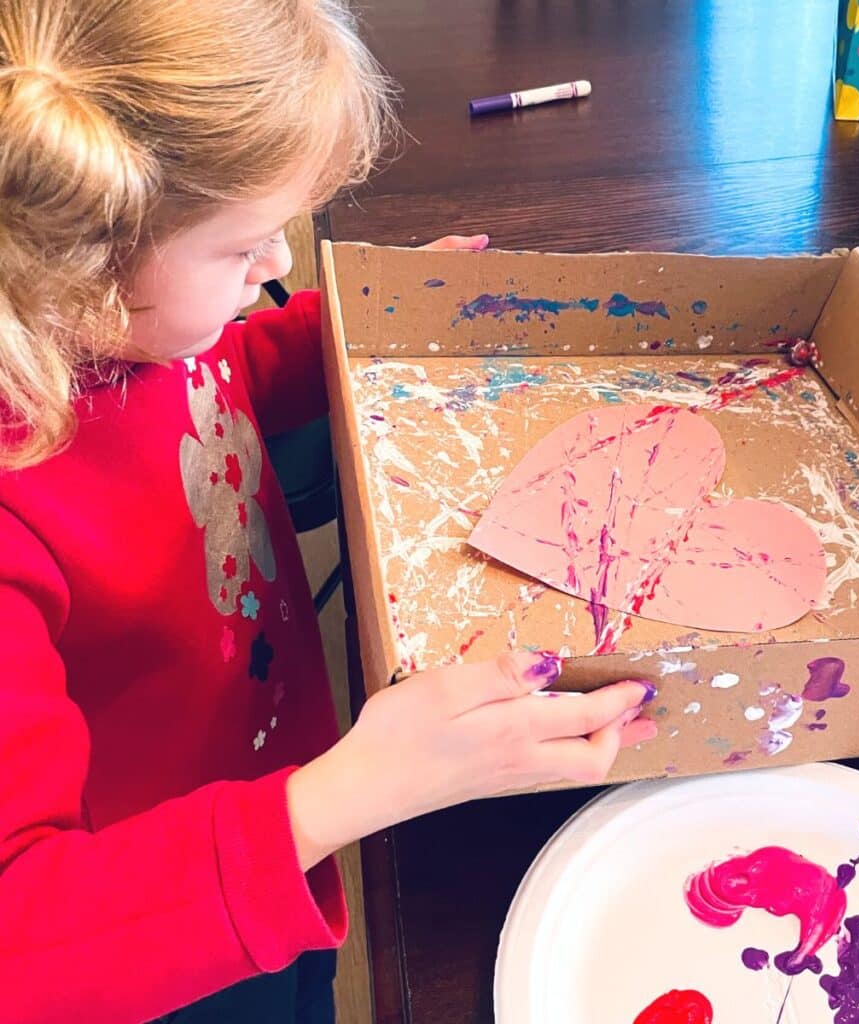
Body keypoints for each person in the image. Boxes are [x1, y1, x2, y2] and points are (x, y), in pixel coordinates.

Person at [0, 2, 659, 1020]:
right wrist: (334, 801)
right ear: (80, 264)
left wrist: (336, 334)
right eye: (244, 248)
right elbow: (28, 942)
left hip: (273, 775)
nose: (278, 269)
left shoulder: (131, 324)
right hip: (165, 920)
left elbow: (222, 372)